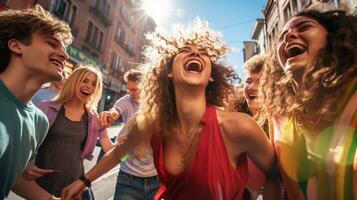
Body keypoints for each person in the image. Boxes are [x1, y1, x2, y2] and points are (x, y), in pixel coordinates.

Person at [61, 20, 277, 200]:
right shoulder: (150, 123)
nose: (195, 53)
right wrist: (83, 181)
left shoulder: (239, 127)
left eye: (203, 53)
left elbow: (275, 175)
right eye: (185, 51)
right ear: (169, 72)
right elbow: (119, 153)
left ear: (210, 75)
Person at [258, 10, 357, 199]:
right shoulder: (278, 117)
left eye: (304, 27)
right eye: (281, 37)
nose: (289, 36)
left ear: (334, 39)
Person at [0, 5, 72, 199]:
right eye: (52, 44)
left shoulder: (39, 122)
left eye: (64, 50)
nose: (65, 56)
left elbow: (10, 175)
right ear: (16, 46)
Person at [22, 65, 115, 199]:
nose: (89, 86)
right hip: (43, 188)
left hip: (78, 191)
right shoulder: (45, 108)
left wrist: (129, 144)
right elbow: (23, 143)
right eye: (84, 81)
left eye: (94, 84)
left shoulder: (95, 118)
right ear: (73, 82)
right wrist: (26, 164)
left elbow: (110, 150)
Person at [98, 69, 160, 200]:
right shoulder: (126, 100)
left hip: (156, 179)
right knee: (120, 154)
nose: (132, 93)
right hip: (128, 179)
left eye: (135, 89)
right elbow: (116, 110)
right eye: (129, 89)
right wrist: (109, 115)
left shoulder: (158, 105)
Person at [228, 54, 270, 199]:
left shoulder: (282, 122)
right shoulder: (234, 117)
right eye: (248, 81)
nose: (252, 87)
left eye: (260, 81)